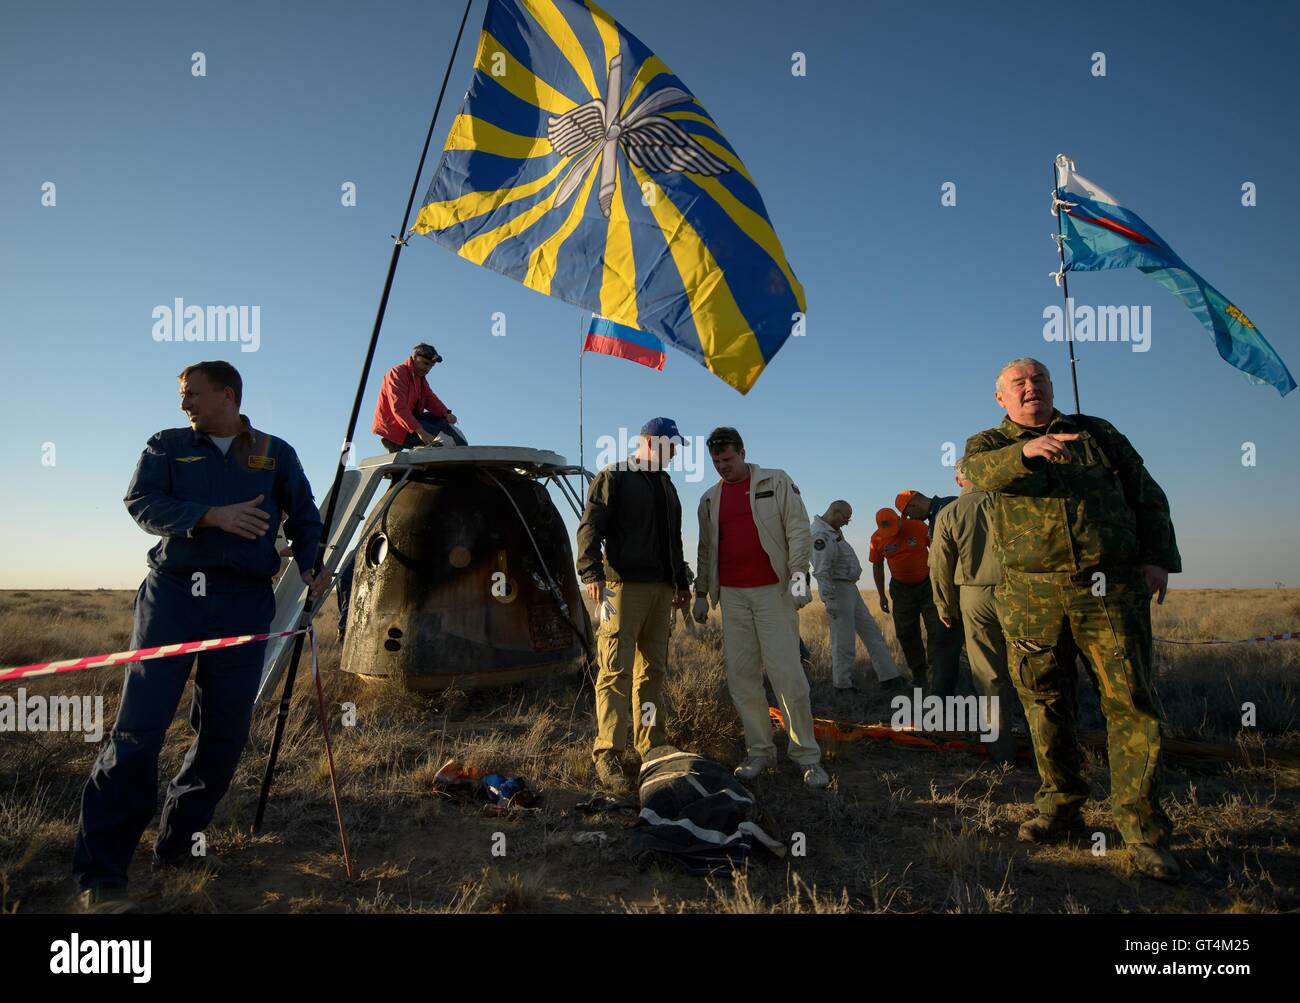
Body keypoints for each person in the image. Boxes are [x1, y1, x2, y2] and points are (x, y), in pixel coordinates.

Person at [73, 361, 325, 911]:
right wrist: (210, 515)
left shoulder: (275, 452)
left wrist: (312, 563)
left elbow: (305, 518)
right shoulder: (165, 445)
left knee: (225, 732)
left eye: (192, 394)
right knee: (138, 731)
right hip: (173, 599)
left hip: (244, 604)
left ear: (228, 394)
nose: (183, 403)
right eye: (182, 395)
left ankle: (181, 842)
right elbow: (141, 503)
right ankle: (104, 872)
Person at [964, 356, 1182, 879]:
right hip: (1033, 598)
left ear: (1052, 387)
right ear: (1001, 398)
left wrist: (1156, 557)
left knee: (1130, 702)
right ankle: (1060, 808)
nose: (1029, 387)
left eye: (1038, 379)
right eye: (1017, 383)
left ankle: (1143, 830)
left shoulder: (1098, 433)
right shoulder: (987, 446)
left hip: (1110, 592)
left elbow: (1147, 495)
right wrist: (1027, 451)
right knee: (1045, 704)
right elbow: (979, 474)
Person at [692, 427, 829, 789]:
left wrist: (799, 575)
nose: (722, 466)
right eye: (716, 461)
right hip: (733, 597)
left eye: (728, 459)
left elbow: (797, 530)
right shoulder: (709, 499)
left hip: (773, 591)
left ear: (742, 452)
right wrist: (701, 593)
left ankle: (807, 757)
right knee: (741, 676)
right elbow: (706, 550)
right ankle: (759, 751)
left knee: (786, 673)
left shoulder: (777, 481)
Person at [576, 418, 692, 795]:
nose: (674, 453)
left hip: (661, 589)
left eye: (676, 447)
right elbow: (590, 526)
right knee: (614, 669)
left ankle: (651, 743)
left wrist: (681, 581)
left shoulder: (666, 484)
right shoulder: (616, 475)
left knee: (653, 670)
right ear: (648, 442)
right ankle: (608, 751)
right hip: (619, 588)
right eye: (670, 445)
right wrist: (591, 572)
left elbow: (672, 538)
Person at [928, 462, 1017, 763]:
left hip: (973, 596)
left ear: (958, 480)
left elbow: (939, 564)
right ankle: (1044, 739)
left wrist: (944, 604)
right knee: (1030, 668)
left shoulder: (950, 512)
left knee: (988, 674)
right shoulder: (1010, 501)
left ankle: (1001, 747)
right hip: (1019, 592)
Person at [810, 501, 903, 692]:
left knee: (873, 633)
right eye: (845, 518)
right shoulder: (821, 535)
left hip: (850, 589)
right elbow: (821, 571)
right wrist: (829, 599)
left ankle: (890, 677)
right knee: (843, 640)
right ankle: (842, 685)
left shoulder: (833, 532)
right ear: (835, 513)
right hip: (838, 590)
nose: (847, 522)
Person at [869, 509, 955, 694]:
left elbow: (937, 550)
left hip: (928, 585)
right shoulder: (877, 539)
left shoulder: (917, 526)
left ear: (900, 520)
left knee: (937, 629)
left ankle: (937, 677)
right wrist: (881, 595)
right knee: (906, 633)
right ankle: (919, 676)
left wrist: (942, 580)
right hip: (901, 590)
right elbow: (877, 566)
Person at [371, 343, 467, 450]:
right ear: (415, 357)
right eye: (425, 363)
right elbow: (398, 408)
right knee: (441, 438)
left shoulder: (420, 379)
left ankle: (460, 450)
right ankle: (394, 442)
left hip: (413, 422)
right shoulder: (397, 373)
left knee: (442, 422)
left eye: (431, 366)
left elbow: (430, 398)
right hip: (396, 425)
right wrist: (421, 432)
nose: (427, 369)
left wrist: (446, 413)